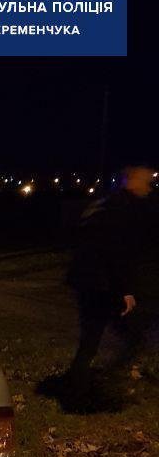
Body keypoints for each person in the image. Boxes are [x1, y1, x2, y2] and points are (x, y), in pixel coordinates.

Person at [59, 165, 155, 405]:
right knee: (119, 336)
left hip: (89, 280)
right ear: (131, 180)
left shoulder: (105, 204)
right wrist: (125, 291)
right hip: (100, 284)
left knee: (94, 337)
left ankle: (81, 384)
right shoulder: (123, 208)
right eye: (145, 181)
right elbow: (116, 252)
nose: (149, 187)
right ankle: (85, 387)